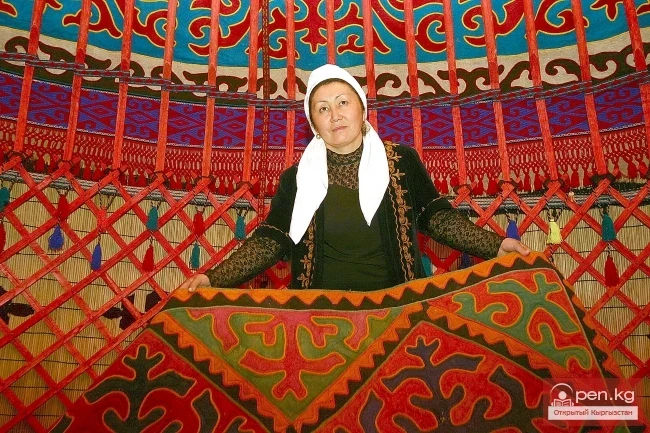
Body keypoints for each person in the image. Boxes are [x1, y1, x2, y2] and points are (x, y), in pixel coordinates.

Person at [179, 64, 530, 292]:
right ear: (314, 124)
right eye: (323, 109)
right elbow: (271, 241)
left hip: (397, 306)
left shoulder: (401, 161)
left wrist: (496, 246)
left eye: (343, 102)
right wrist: (213, 278)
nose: (335, 115)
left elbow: (437, 218)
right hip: (320, 313)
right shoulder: (297, 179)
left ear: (362, 108)